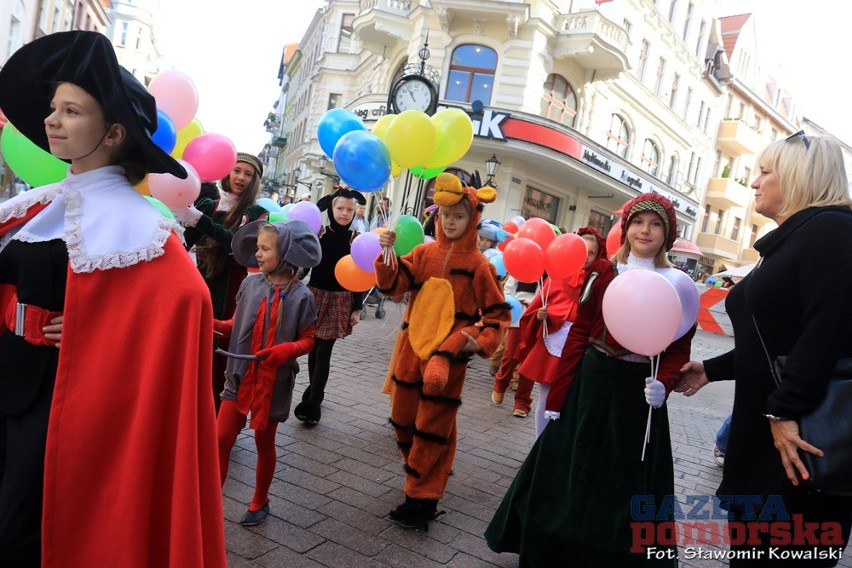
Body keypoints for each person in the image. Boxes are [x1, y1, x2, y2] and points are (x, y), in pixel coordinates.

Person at [0, 31, 225, 567]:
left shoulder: (144, 228)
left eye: (72, 110)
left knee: (20, 540)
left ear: (114, 132)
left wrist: (93, 329)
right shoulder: (34, 208)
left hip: (63, 410)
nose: (53, 119)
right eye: (54, 108)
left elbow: (186, 304)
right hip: (8, 385)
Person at [486, 193, 694, 565]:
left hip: (638, 395)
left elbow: (679, 348)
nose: (645, 230)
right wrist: (558, 396)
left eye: (655, 224)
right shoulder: (602, 271)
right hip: (591, 384)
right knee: (570, 469)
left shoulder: (677, 284)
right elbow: (580, 334)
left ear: (668, 234)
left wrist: (664, 382)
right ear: (625, 228)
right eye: (637, 222)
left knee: (625, 479)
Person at [677, 133, 852, 566]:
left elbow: (826, 332)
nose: (754, 182)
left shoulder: (831, 229)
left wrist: (783, 410)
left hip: (798, 447)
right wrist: (710, 369)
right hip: (771, 443)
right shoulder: (793, 240)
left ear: (798, 176)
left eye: (765, 171)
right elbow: (774, 343)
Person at [375, 172, 510, 531]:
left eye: (459, 216)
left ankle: (421, 498)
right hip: (410, 351)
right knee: (403, 422)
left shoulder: (480, 265)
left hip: (447, 362)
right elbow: (394, 286)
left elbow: (497, 316)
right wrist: (386, 253)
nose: (451, 222)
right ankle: (424, 477)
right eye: (446, 215)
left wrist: (473, 342)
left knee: (432, 428)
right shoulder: (422, 252)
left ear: (472, 220)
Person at [215, 220, 320, 527]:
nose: (257, 254)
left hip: (274, 384)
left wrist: (286, 351)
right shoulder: (249, 284)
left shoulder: (303, 296)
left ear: (284, 251)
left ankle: (260, 499)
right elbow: (237, 324)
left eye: (264, 248)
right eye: (257, 248)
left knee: (264, 441)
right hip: (238, 376)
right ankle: (210, 501)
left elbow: (309, 340)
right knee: (221, 439)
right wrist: (216, 326)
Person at [174, 153, 269, 411]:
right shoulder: (208, 203)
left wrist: (201, 221)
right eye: (237, 171)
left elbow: (240, 248)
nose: (240, 178)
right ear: (227, 173)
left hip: (232, 288)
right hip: (201, 282)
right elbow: (185, 244)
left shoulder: (257, 213)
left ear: (254, 181)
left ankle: (216, 411)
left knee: (222, 349)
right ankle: (188, 407)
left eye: (248, 174)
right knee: (194, 345)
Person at [511, 227, 607, 435]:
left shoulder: (599, 283)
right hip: (552, 346)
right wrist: (539, 316)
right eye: (582, 251)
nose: (586, 258)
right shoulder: (556, 277)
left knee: (572, 399)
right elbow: (534, 311)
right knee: (546, 396)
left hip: (580, 348)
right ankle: (539, 442)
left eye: (591, 253)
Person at [293, 186, 365, 425]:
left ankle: (312, 405)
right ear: (331, 208)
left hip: (340, 299)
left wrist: (357, 307)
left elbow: (361, 275)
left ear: (355, 211)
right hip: (315, 297)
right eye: (340, 208)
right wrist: (291, 280)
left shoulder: (357, 240)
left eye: (349, 209)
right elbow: (306, 265)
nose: (344, 213)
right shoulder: (319, 234)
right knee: (314, 348)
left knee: (324, 350)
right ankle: (316, 391)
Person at [490, 276, 540, 415]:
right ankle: (501, 383)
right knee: (510, 354)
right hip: (519, 315)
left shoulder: (553, 269)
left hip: (539, 319)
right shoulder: (524, 263)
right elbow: (508, 290)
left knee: (530, 363)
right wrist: (514, 303)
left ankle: (522, 402)